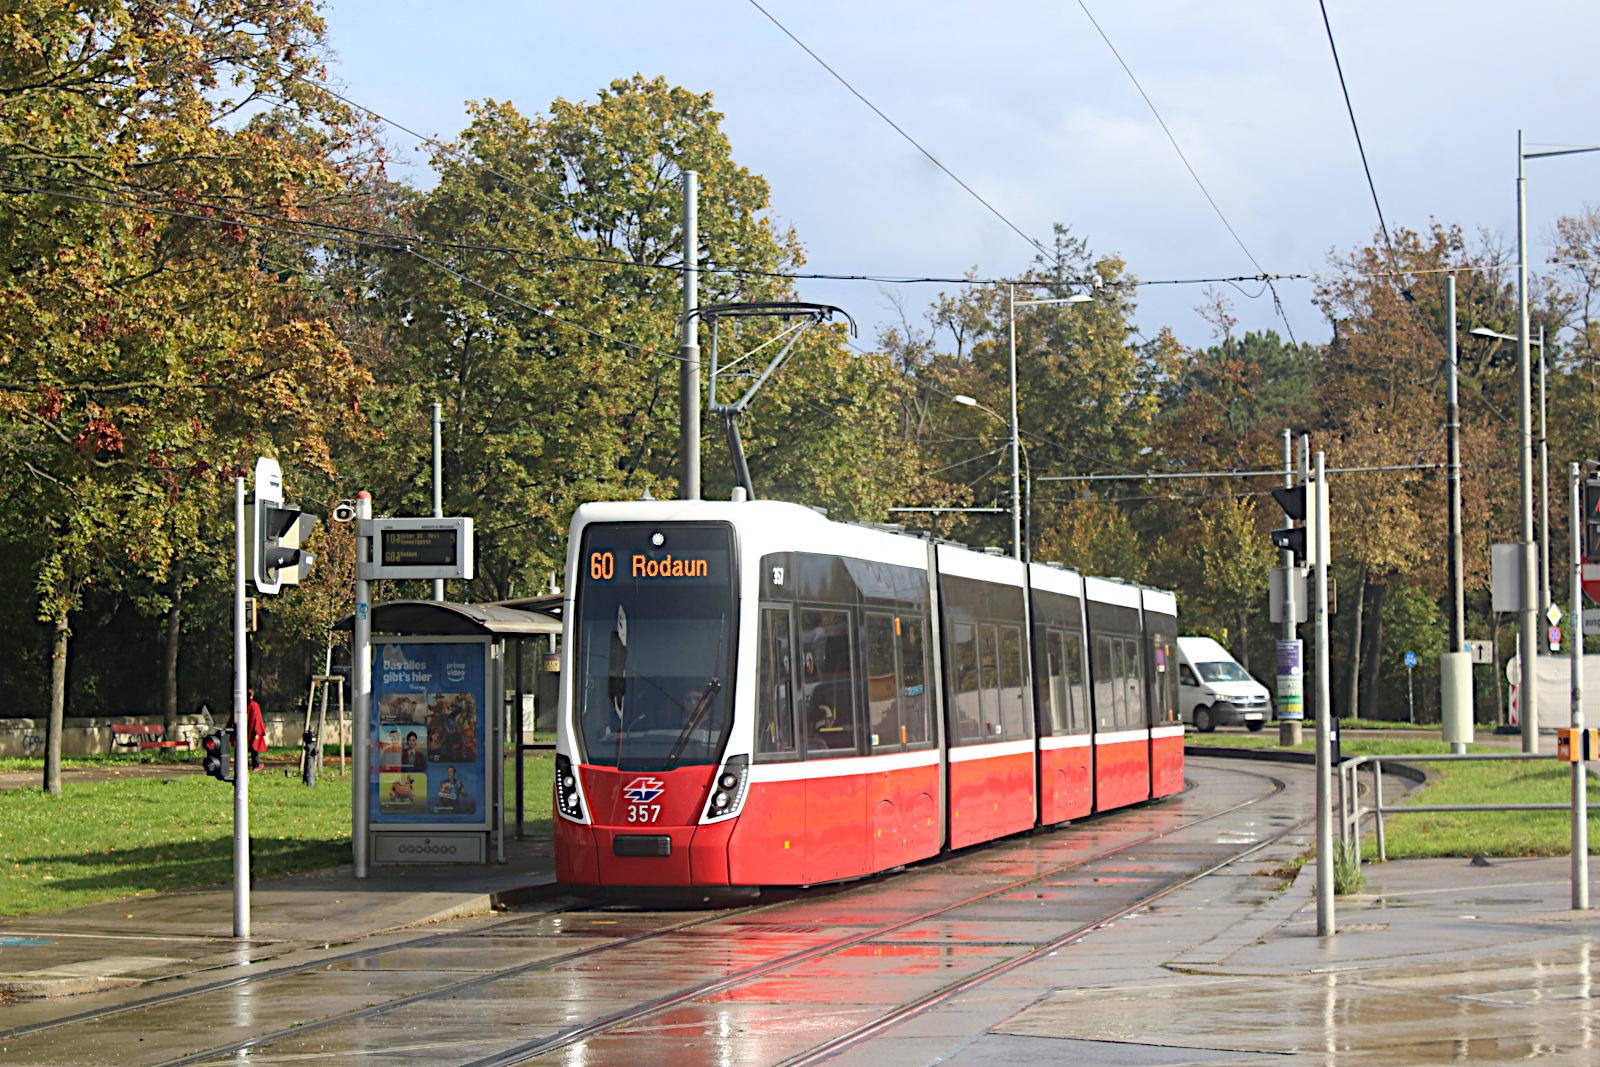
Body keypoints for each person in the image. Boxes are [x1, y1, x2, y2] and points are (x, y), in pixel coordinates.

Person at [227, 688, 267, 770]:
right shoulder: (253, 705)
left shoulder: (239, 705)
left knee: (247, 748)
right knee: (252, 749)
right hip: (250, 731)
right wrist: (257, 732)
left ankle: (245, 765)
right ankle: (254, 765)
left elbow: (257, 719)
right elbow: (258, 719)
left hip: (247, 730)